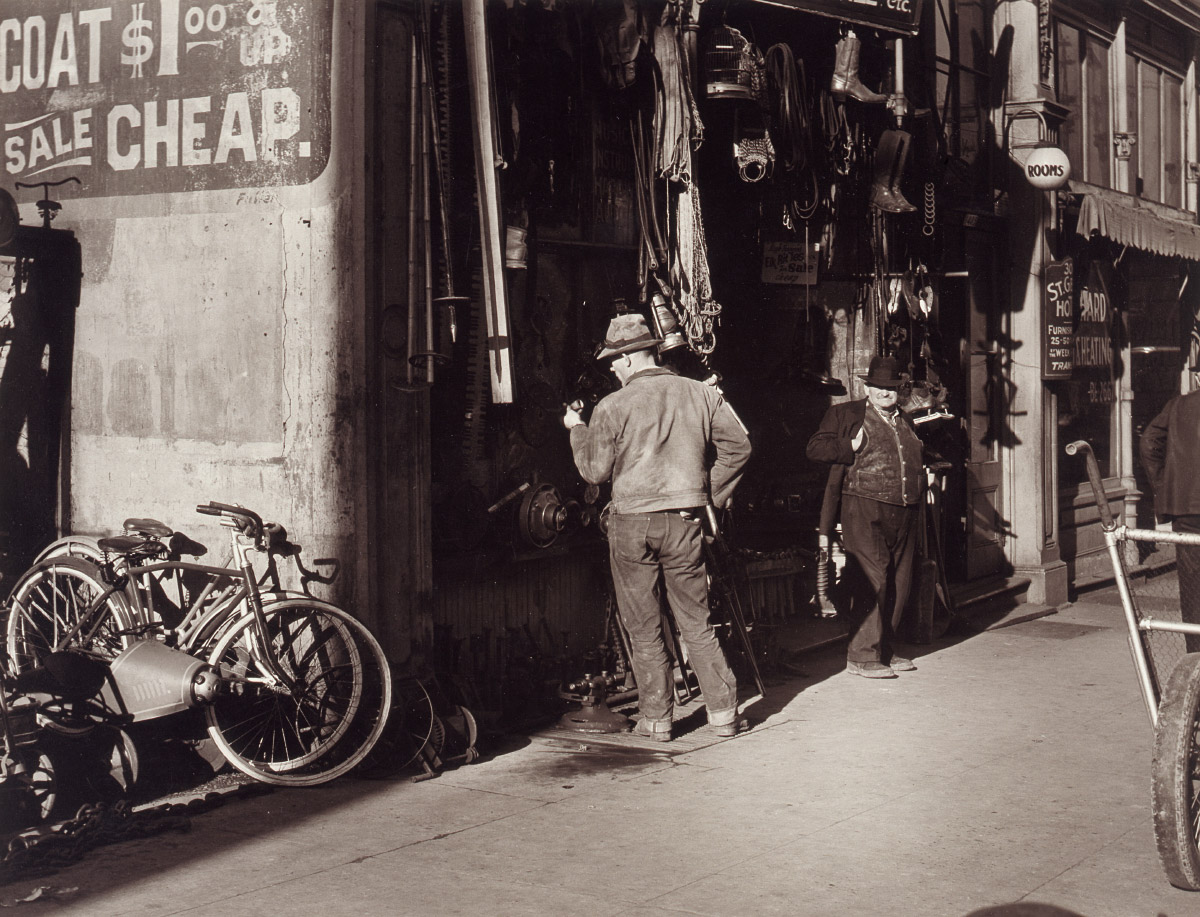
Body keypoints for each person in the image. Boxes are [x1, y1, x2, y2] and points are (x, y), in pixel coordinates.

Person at [563, 313, 753, 741]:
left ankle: (658, 719)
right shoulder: (699, 394)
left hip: (631, 524)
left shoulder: (611, 406)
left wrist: (577, 429)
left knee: (644, 624)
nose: (611, 367)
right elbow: (739, 447)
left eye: (614, 359)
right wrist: (705, 495)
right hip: (685, 522)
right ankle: (723, 713)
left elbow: (594, 471)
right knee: (695, 621)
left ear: (629, 358)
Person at [806, 354, 926, 678]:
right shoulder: (846, 414)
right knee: (873, 580)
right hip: (863, 508)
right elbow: (815, 448)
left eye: (893, 388)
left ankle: (884, 649)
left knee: (900, 583)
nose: (887, 393)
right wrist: (849, 445)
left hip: (904, 512)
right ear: (868, 387)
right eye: (880, 387)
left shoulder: (906, 421)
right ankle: (861, 655)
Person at [1139, 389, 1200, 652]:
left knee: (1192, 587)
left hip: (1186, 509)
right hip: (1185, 507)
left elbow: (1148, 442)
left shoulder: (1178, 405)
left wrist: (1165, 486)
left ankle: (1195, 663)